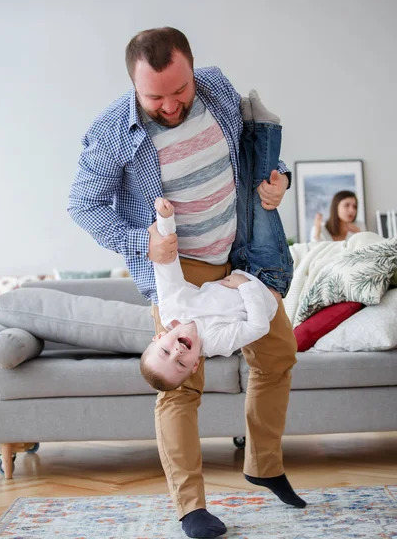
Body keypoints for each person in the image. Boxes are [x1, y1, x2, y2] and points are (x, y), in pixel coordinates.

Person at [68, 27, 305, 539]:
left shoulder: (217, 88)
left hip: (241, 255)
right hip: (181, 268)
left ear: (194, 70)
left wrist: (278, 178)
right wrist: (143, 243)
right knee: (180, 385)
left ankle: (263, 465)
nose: (172, 106)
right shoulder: (112, 130)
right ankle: (191, 507)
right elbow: (82, 205)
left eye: (181, 91)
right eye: (156, 97)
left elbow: (253, 152)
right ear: (134, 83)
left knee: (279, 353)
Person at [141, 92, 292, 390]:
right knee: (258, 199)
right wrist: (248, 287)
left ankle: (247, 130)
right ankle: (265, 127)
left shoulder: (173, 311)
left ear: (159, 337)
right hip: (267, 277)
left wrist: (166, 220)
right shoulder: (217, 342)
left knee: (240, 196)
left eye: (165, 351)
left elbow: (166, 269)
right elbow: (258, 326)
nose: (178, 353)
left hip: (239, 262)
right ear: (196, 363)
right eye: (181, 363)